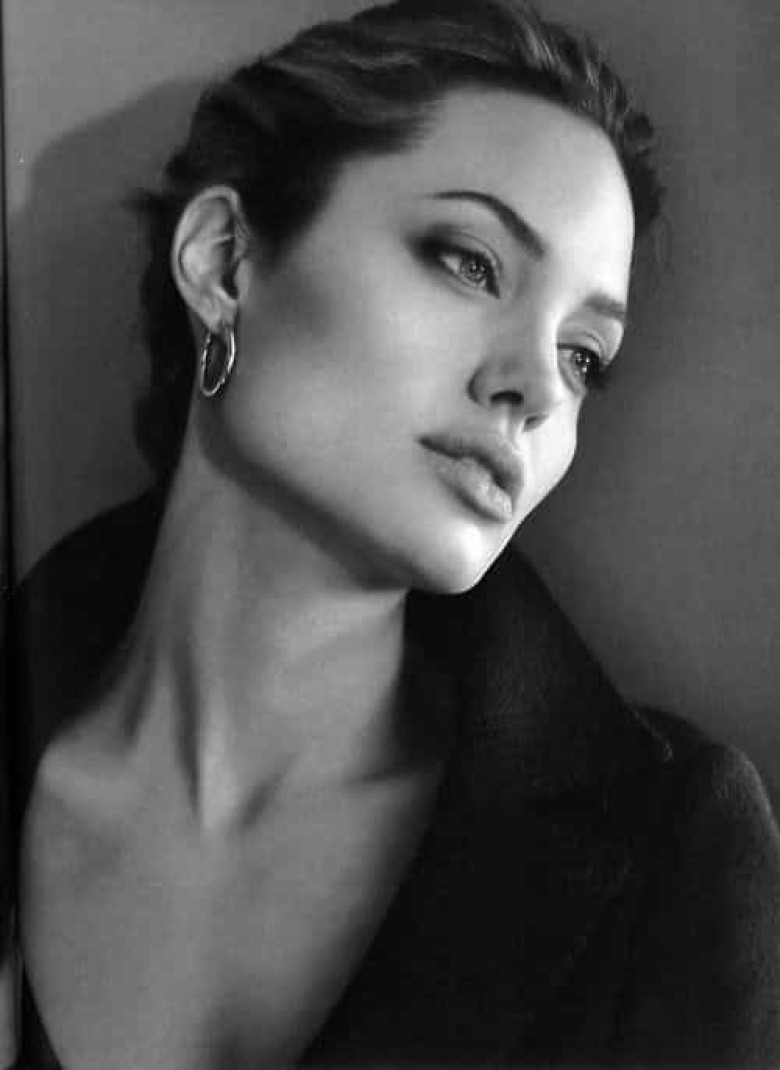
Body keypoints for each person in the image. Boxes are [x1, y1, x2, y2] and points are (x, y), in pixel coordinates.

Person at [5, 0, 780, 1066]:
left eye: (583, 355)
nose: (536, 388)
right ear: (225, 263)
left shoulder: (673, 852)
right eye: (470, 262)